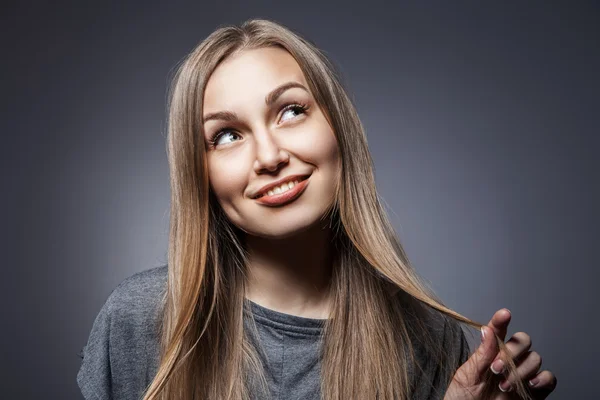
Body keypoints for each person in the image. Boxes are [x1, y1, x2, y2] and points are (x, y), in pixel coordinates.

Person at [77, 18, 557, 400]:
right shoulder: (144, 318)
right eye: (226, 135)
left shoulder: (428, 338)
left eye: (290, 110)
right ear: (198, 174)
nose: (269, 157)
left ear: (338, 128)